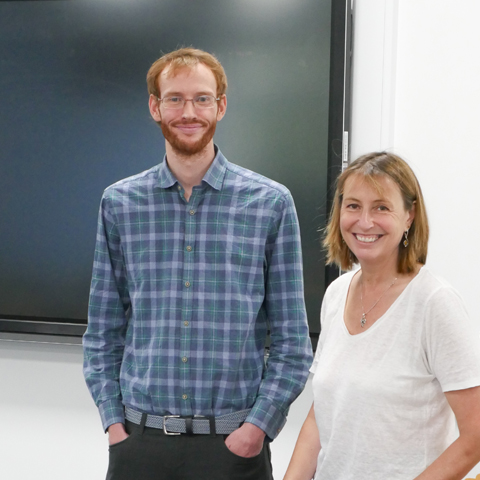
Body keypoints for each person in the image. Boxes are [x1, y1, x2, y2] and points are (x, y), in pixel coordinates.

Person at [83, 47, 312, 480]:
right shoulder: (119, 203)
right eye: (175, 98)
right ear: (155, 106)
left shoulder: (270, 203)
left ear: (221, 106)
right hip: (139, 444)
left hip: (233, 450)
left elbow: (292, 342)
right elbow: (102, 333)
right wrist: (114, 423)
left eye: (202, 99)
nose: (189, 111)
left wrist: (257, 428)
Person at [284, 152, 480, 480]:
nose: (364, 221)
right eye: (353, 206)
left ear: (409, 216)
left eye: (381, 207)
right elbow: (322, 414)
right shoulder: (335, 294)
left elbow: (474, 437)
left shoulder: (435, 303)